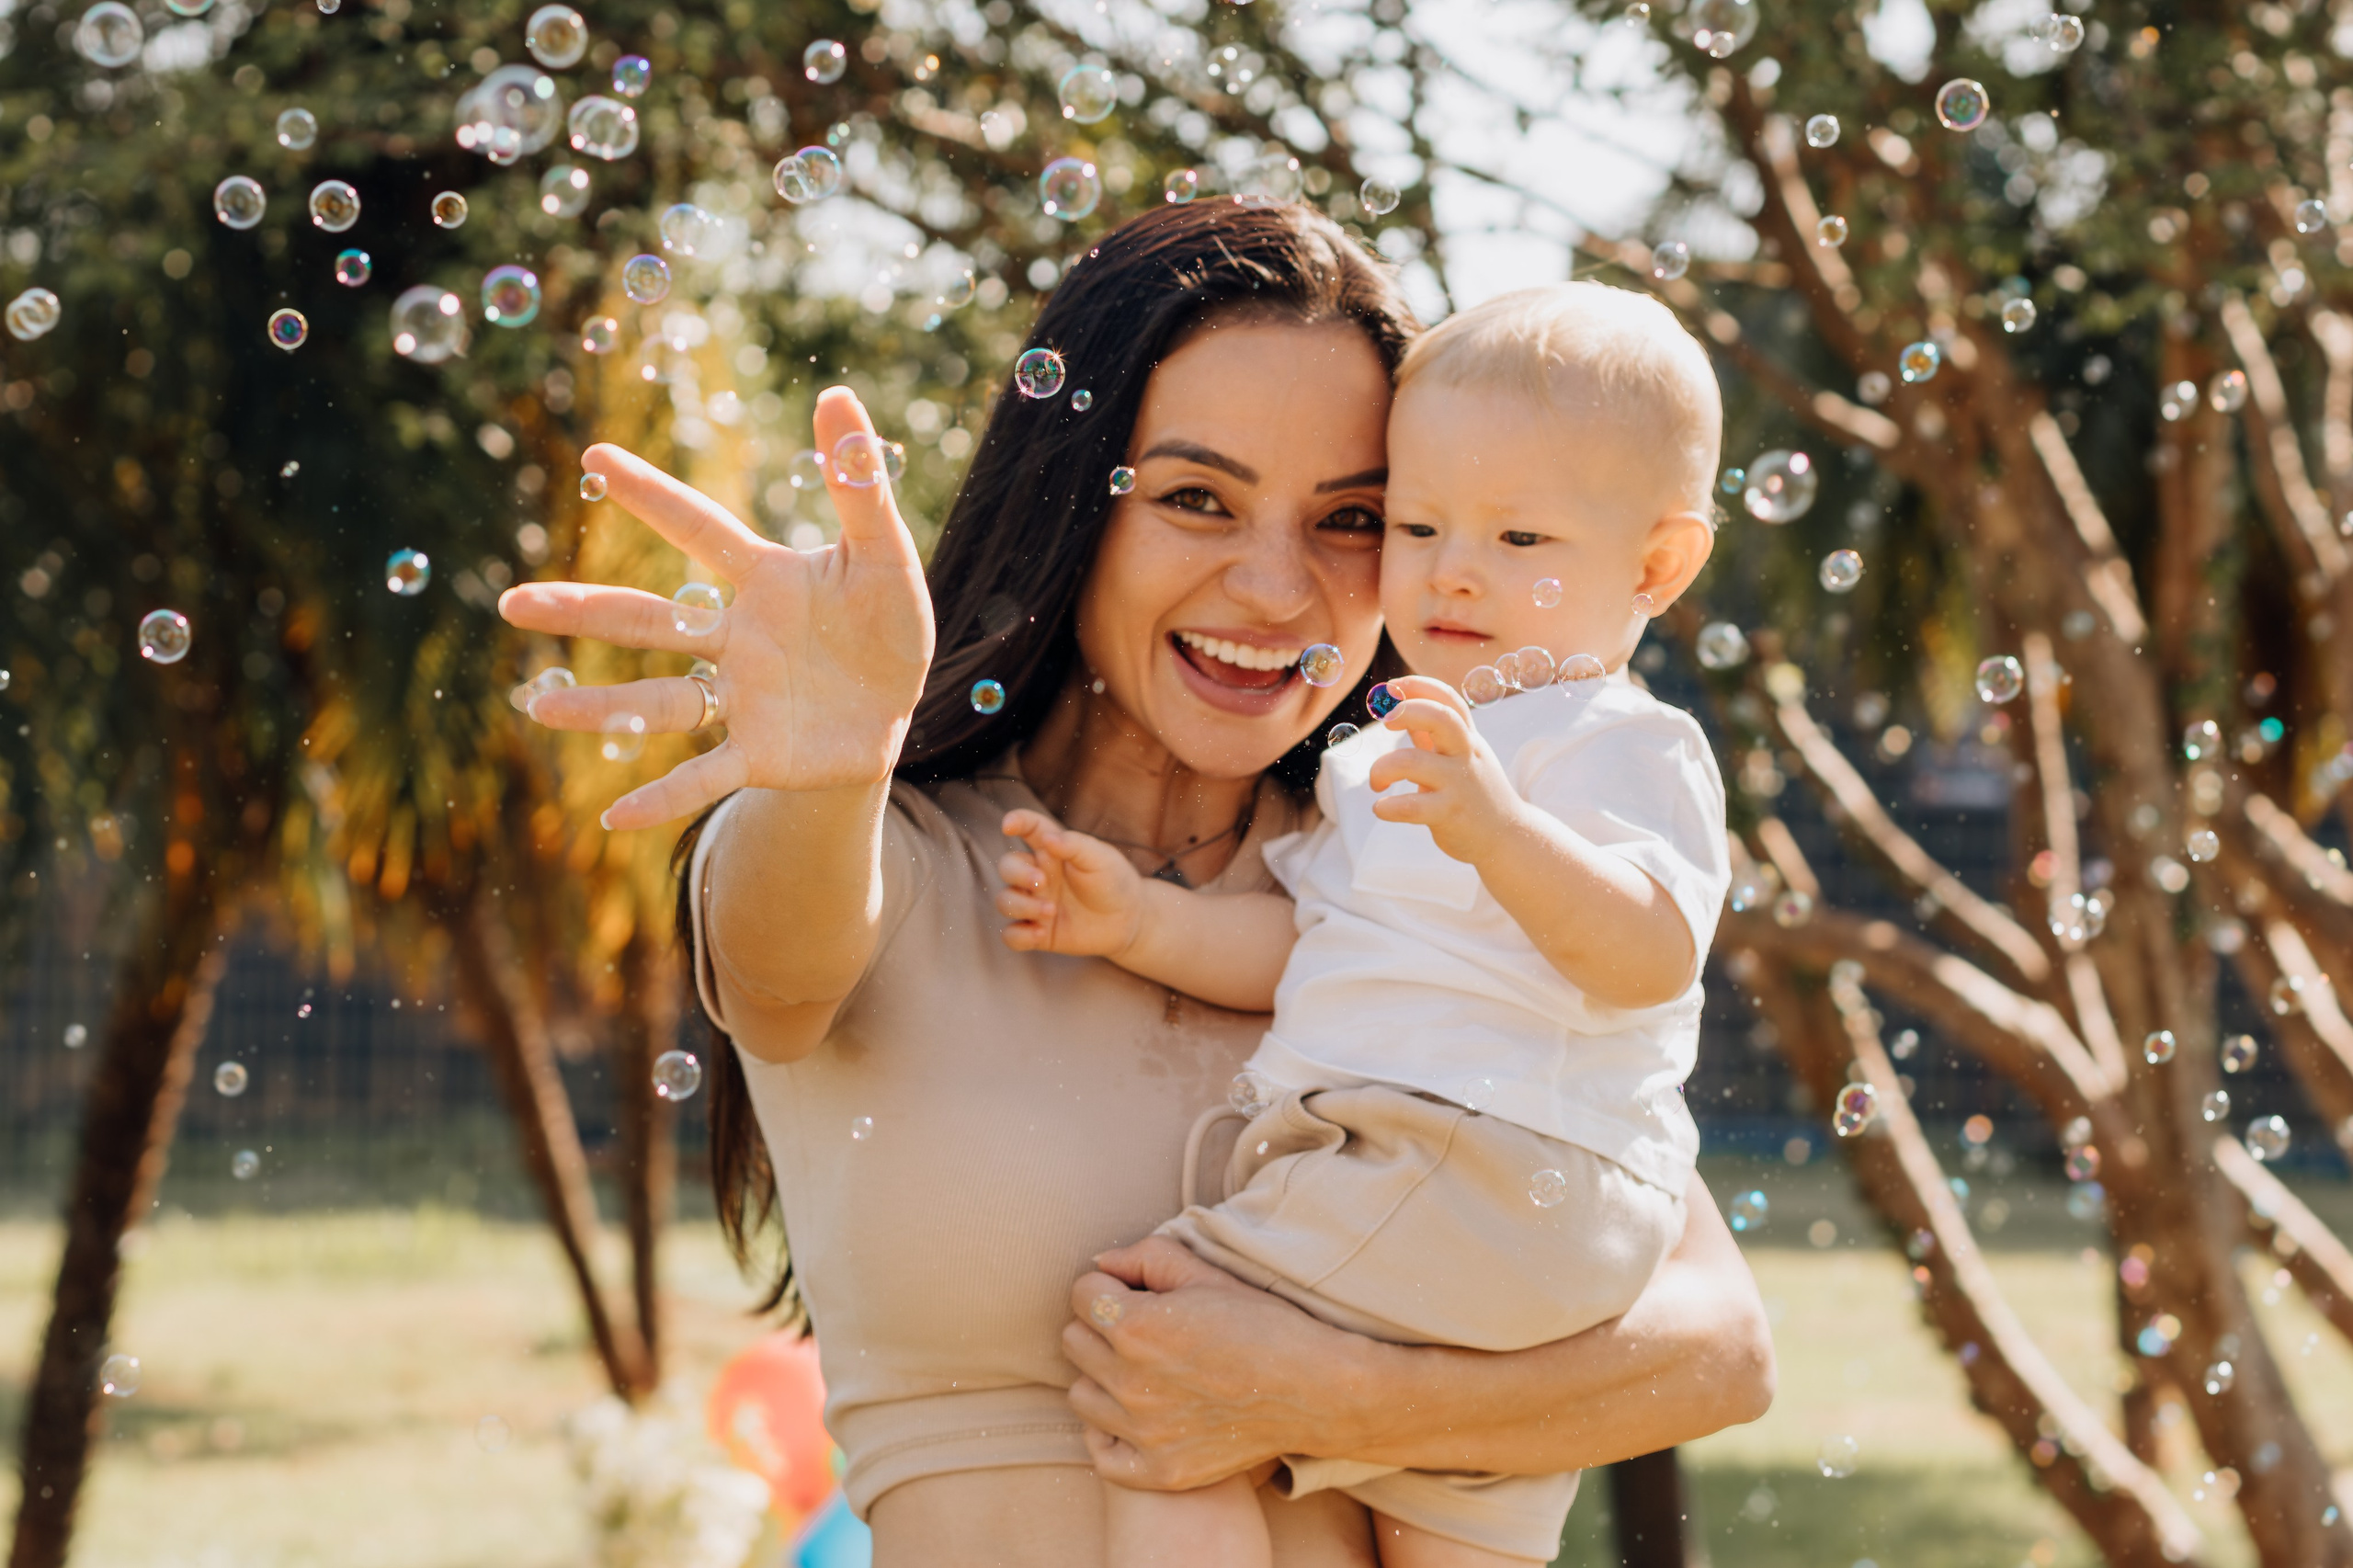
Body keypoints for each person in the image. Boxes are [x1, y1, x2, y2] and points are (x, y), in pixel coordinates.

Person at [500, 201, 1774, 1568]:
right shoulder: (892, 856)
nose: (1276, 585)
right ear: (1072, 506)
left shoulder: (1426, 881)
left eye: (1349, 517)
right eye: (1194, 498)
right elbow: (775, 956)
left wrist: (1320, 1396)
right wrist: (828, 768)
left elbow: (1717, 1348)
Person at [995, 282, 1726, 1568]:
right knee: (1457, 1526)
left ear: (1657, 566)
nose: (1451, 569)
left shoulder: (1614, 741)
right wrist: (1143, 923)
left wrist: (1501, 832)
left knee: (1156, 1346)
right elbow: (1314, 957)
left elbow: (1651, 954)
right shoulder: (1413, 749)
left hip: (1462, 1168)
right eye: (1417, 522)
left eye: (1521, 539)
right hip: (1528, 1224)